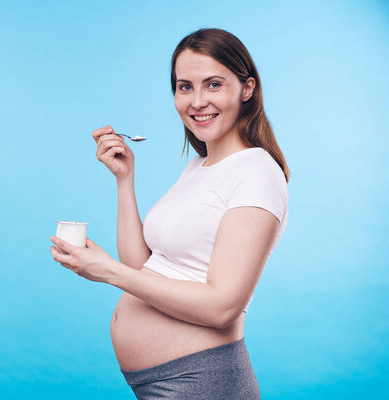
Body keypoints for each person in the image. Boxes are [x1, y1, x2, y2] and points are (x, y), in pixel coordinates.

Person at [49, 27, 290, 399]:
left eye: (213, 85)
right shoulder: (200, 166)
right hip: (164, 384)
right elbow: (143, 268)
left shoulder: (256, 173)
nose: (196, 101)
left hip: (201, 383)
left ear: (247, 89)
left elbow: (222, 307)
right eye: (184, 87)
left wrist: (107, 272)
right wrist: (124, 181)